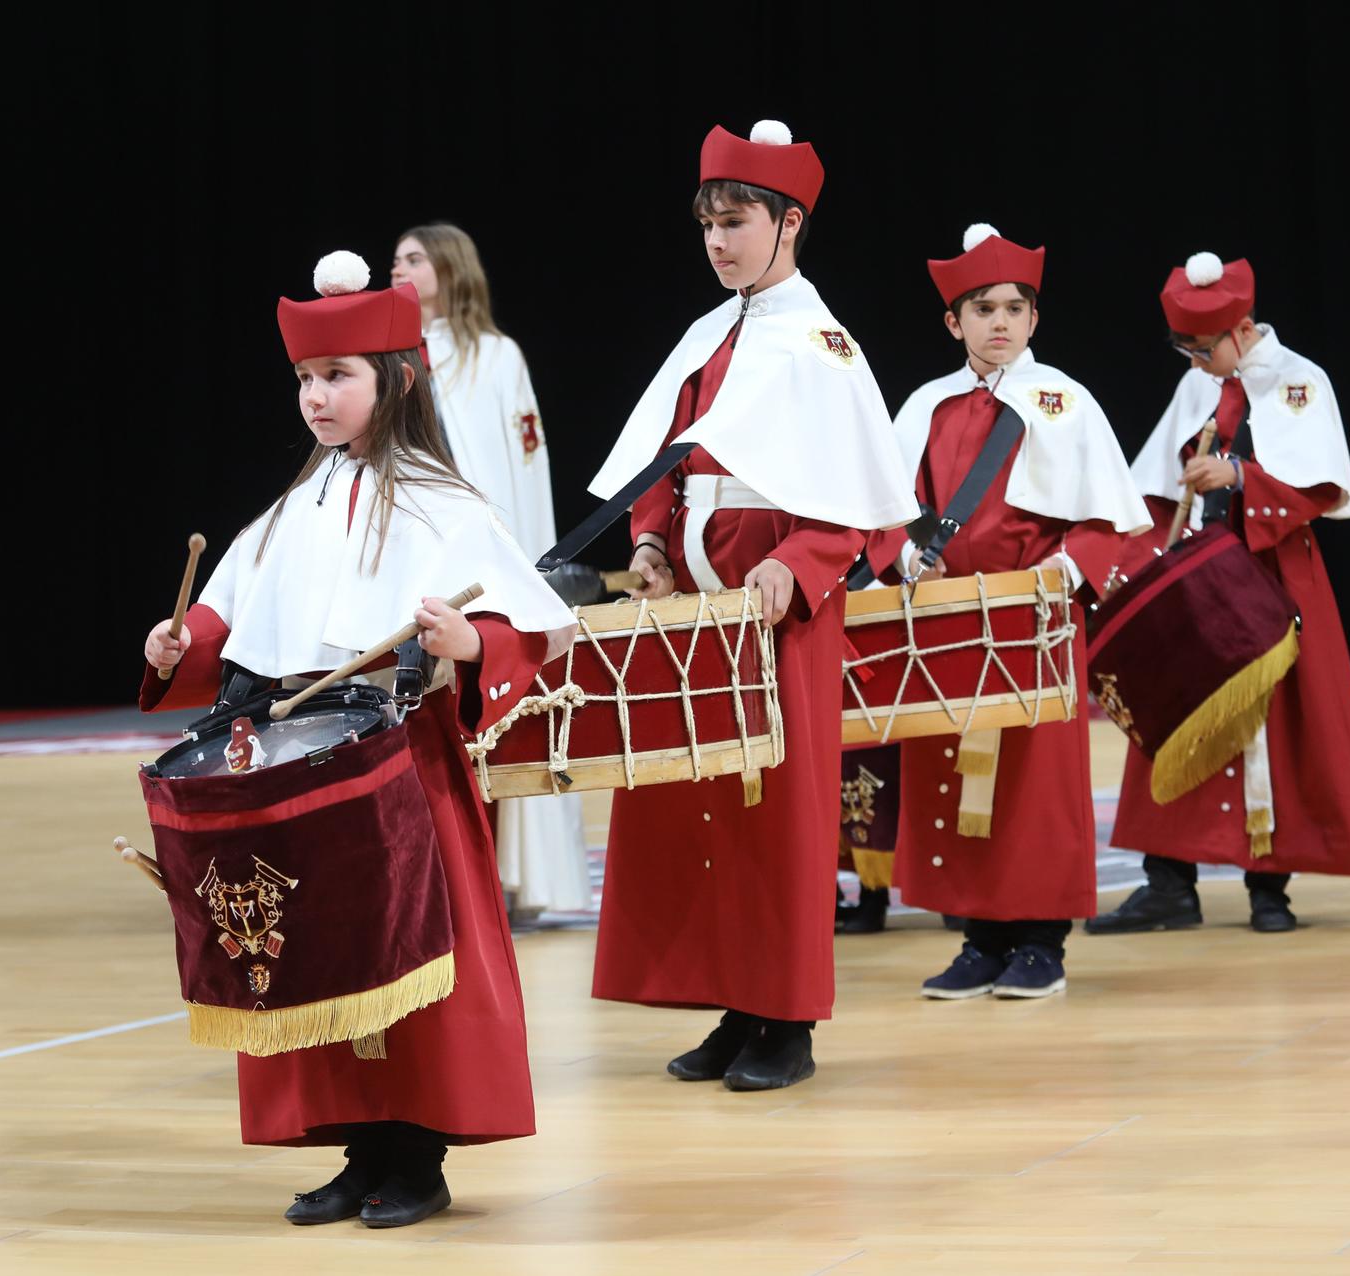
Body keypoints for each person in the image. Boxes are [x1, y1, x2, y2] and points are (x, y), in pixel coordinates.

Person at [139, 251, 574, 1228]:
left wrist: (471, 643)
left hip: (400, 763)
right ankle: (357, 1144)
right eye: (303, 378)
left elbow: (529, 630)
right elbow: (234, 615)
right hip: (306, 764)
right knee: (326, 955)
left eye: (336, 376)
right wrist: (182, 642)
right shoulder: (296, 503)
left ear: (397, 380)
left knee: (407, 961)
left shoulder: (441, 501)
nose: (314, 397)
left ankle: (414, 1152)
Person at [585, 120, 917, 1091]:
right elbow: (668, 456)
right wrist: (650, 539)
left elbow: (854, 496)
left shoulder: (821, 345)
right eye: (707, 227)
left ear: (788, 222)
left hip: (777, 618)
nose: (717, 243)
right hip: (694, 612)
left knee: (773, 816)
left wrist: (800, 561)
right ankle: (731, 1004)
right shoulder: (706, 337)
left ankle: (787, 1019)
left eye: (735, 223)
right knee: (694, 808)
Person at [873, 224, 1149, 1000]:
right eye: (982, 308)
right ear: (952, 322)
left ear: (1034, 319)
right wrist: (904, 554)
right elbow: (889, 508)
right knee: (949, 773)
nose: (999, 322)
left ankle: (1041, 941)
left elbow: (1114, 522)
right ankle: (979, 938)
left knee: (1036, 783)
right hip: (951, 616)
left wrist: (1064, 572)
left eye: (1014, 307)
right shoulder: (925, 406)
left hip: (1038, 616)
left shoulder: (1067, 402)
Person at [1089, 252, 1350, 936]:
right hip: (1198, 574)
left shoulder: (1297, 383)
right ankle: (1168, 881)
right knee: (1172, 707)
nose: (1195, 363)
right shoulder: (1200, 385)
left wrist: (1237, 475)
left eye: (1202, 349)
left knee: (1278, 724)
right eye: (1185, 349)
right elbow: (1154, 483)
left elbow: (1319, 488)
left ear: (1244, 329)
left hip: (1270, 571)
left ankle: (1268, 886)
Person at [390, 222, 589, 918]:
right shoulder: (391, 357)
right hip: (422, 556)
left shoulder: (496, 357)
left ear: (449, 267)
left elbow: (525, 466)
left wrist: (532, 567)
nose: (399, 269)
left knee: (495, 707)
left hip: (488, 562)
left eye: (413, 259)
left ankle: (507, 878)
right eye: (395, 260)